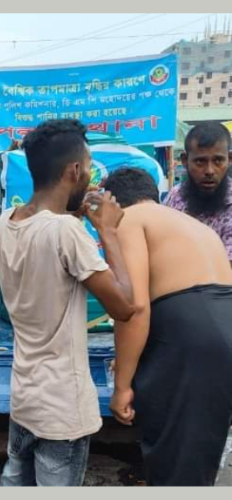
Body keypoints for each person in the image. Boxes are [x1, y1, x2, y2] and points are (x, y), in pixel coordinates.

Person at [0, 119, 135, 487]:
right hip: (62, 408)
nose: (89, 177)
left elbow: (45, 239)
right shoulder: (67, 232)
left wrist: (75, 215)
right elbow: (124, 306)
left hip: (25, 398)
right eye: (87, 169)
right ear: (74, 171)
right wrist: (108, 231)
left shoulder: (7, 223)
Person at [103, 168, 232, 486]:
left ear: (114, 201)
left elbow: (134, 308)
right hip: (222, 324)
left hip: (191, 333)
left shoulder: (129, 219)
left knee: (176, 464)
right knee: (197, 456)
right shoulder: (191, 224)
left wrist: (122, 386)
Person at [163, 121, 232, 264]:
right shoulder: (175, 196)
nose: (209, 171)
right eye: (200, 162)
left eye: (218, 161)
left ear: (229, 159)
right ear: (185, 160)